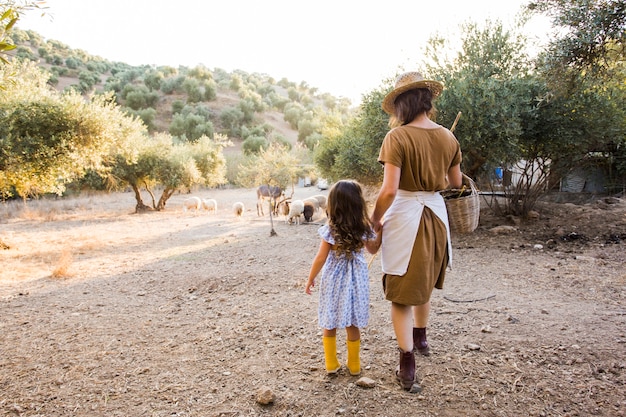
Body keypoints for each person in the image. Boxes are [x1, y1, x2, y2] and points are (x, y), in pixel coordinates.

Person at [370, 72, 463, 392]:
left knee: (401, 293)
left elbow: (389, 191)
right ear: (426, 100)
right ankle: (421, 339)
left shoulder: (396, 138)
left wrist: (373, 220)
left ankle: (406, 362)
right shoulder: (449, 138)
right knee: (423, 282)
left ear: (402, 104)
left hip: (405, 216)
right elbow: (457, 183)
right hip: (436, 216)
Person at [305, 180, 381, 376]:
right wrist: (379, 232)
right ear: (358, 204)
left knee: (329, 321)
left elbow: (321, 257)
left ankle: (331, 364)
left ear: (334, 204)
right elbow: (373, 249)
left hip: (333, 279)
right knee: (352, 322)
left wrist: (310, 278)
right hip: (356, 280)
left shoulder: (331, 229)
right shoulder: (364, 228)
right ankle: (354, 365)